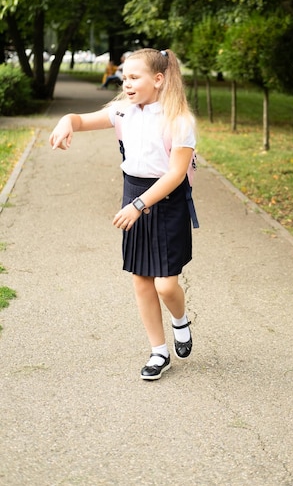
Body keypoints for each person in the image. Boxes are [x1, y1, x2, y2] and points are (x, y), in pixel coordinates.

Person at [49, 48, 197, 381]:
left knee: (165, 284)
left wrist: (139, 205)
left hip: (166, 201)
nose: (125, 83)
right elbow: (80, 120)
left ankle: (180, 320)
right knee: (141, 280)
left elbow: (175, 174)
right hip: (134, 194)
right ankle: (159, 352)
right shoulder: (122, 112)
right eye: (124, 77)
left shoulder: (179, 120)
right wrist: (65, 122)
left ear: (158, 79)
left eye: (134, 77)